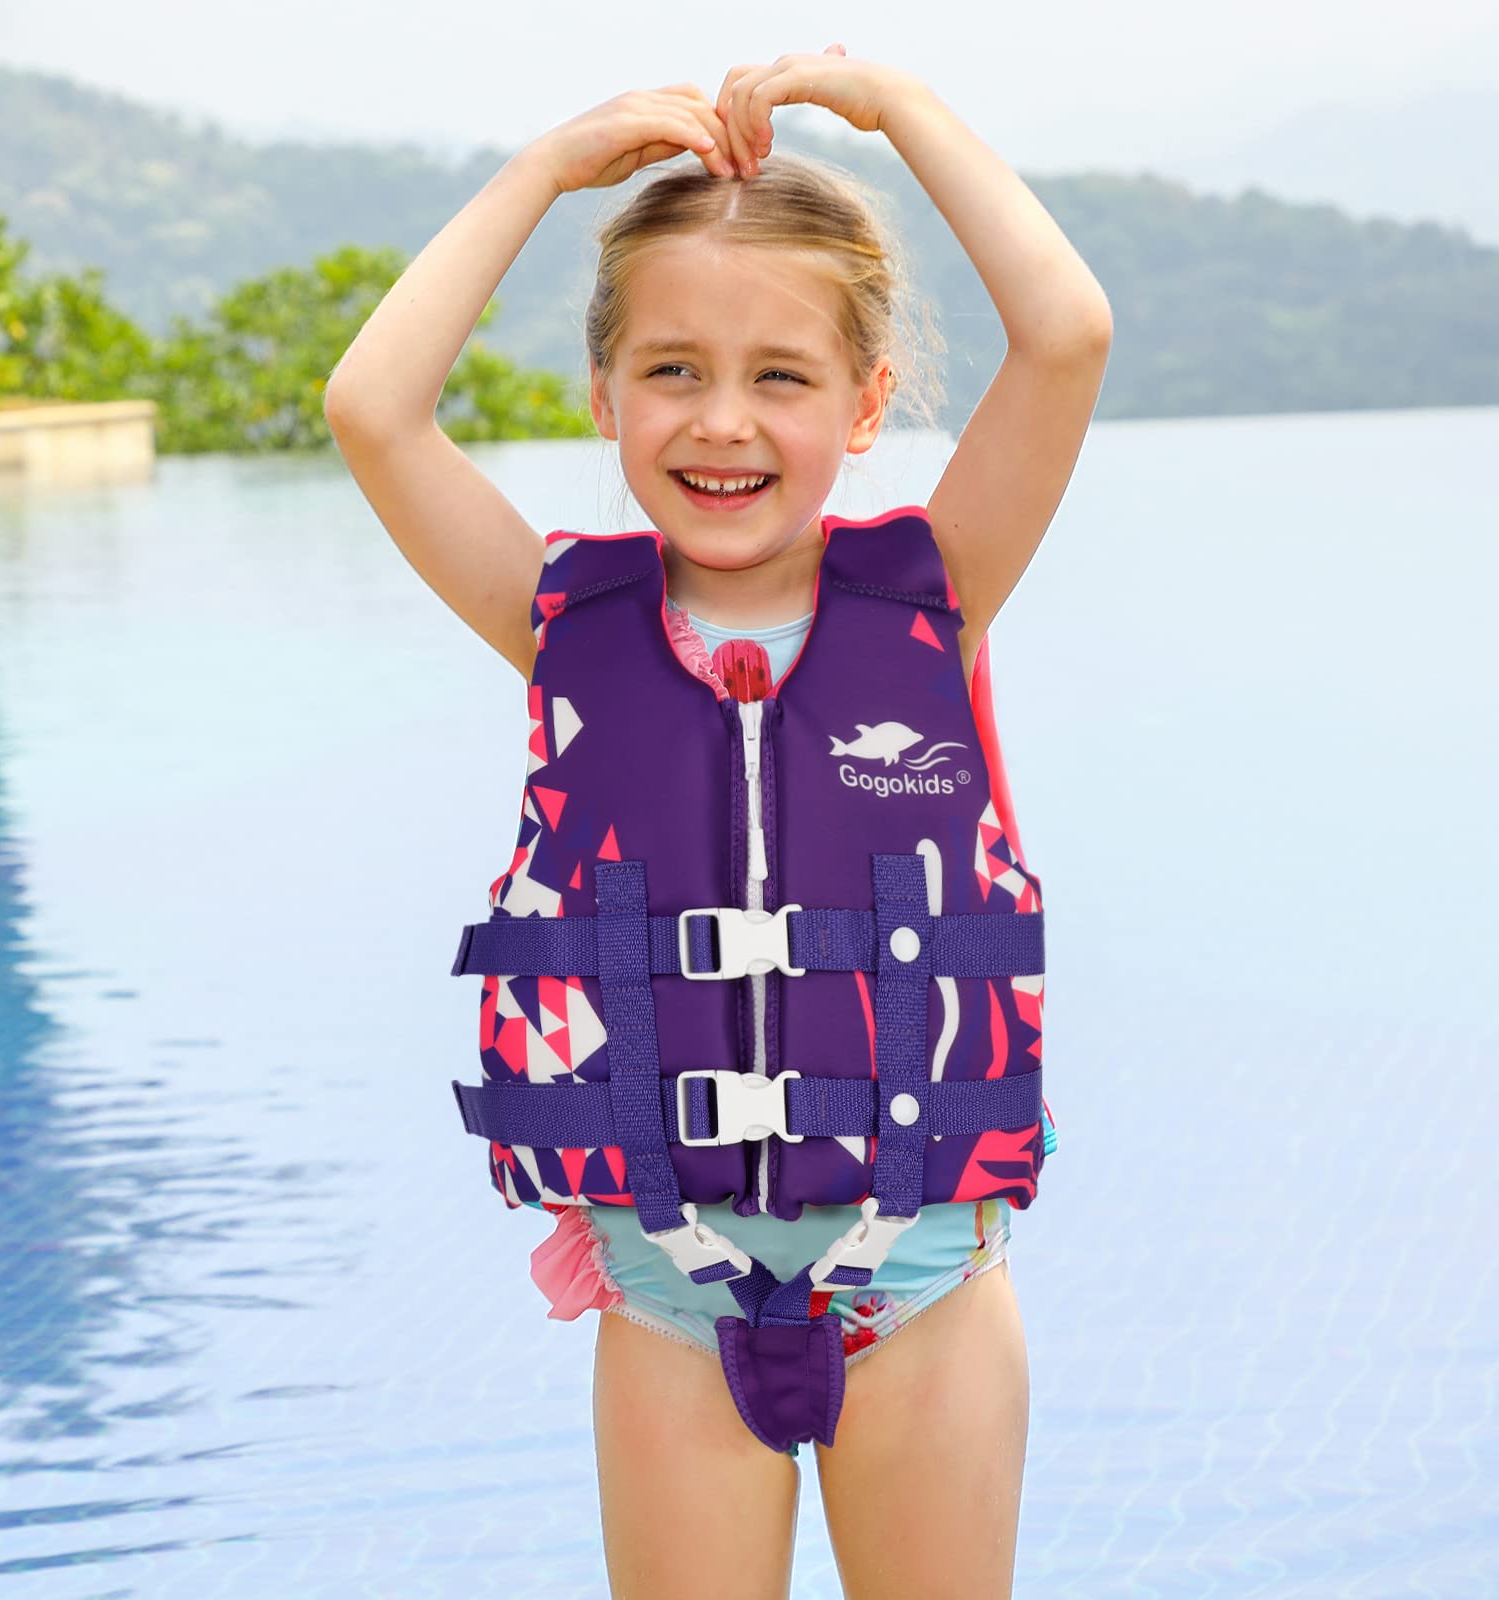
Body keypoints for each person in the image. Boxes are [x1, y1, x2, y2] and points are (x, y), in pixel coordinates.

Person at [325, 44, 1111, 1600]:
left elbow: (1066, 332)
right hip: (671, 1296)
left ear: (867, 403)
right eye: (672, 370)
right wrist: (546, 170)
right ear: (604, 395)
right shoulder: (562, 622)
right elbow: (374, 407)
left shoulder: (937, 594)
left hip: (920, 1287)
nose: (721, 423)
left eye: (781, 377)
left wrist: (899, 110)